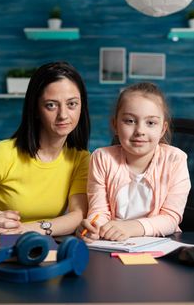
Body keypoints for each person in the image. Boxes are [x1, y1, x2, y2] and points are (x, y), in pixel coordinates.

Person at [0, 61, 91, 243]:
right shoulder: (4, 153)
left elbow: (77, 216)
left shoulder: (81, 158)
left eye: (72, 104)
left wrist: (25, 230)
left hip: (36, 247)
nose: (63, 115)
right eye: (51, 105)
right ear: (36, 109)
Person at [77, 82, 191, 242]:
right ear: (115, 125)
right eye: (130, 121)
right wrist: (94, 227)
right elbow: (99, 211)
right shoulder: (101, 158)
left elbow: (171, 218)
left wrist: (131, 227)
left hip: (159, 246)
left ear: (163, 129)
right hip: (112, 242)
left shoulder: (175, 160)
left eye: (150, 123)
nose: (140, 131)